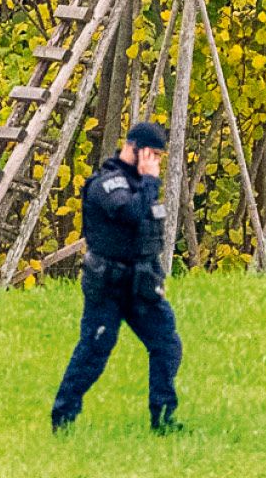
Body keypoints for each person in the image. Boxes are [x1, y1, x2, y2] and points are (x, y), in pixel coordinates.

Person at [52, 121, 183, 432]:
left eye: (159, 157)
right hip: (108, 285)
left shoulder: (140, 184)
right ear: (135, 150)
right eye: (152, 155)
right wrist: (151, 182)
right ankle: (63, 418)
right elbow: (130, 213)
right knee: (94, 351)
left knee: (167, 344)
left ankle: (163, 419)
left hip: (141, 285)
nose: (155, 163)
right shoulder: (108, 184)